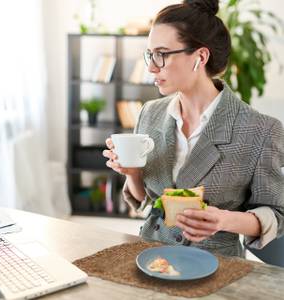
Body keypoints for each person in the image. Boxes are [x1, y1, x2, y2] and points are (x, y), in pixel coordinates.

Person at [103, 0, 284, 257]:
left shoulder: (261, 130)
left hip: (218, 265)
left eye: (162, 54)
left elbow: (276, 215)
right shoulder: (150, 113)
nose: (151, 67)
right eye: (150, 54)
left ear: (200, 57)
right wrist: (132, 173)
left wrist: (223, 220)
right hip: (151, 255)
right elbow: (147, 204)